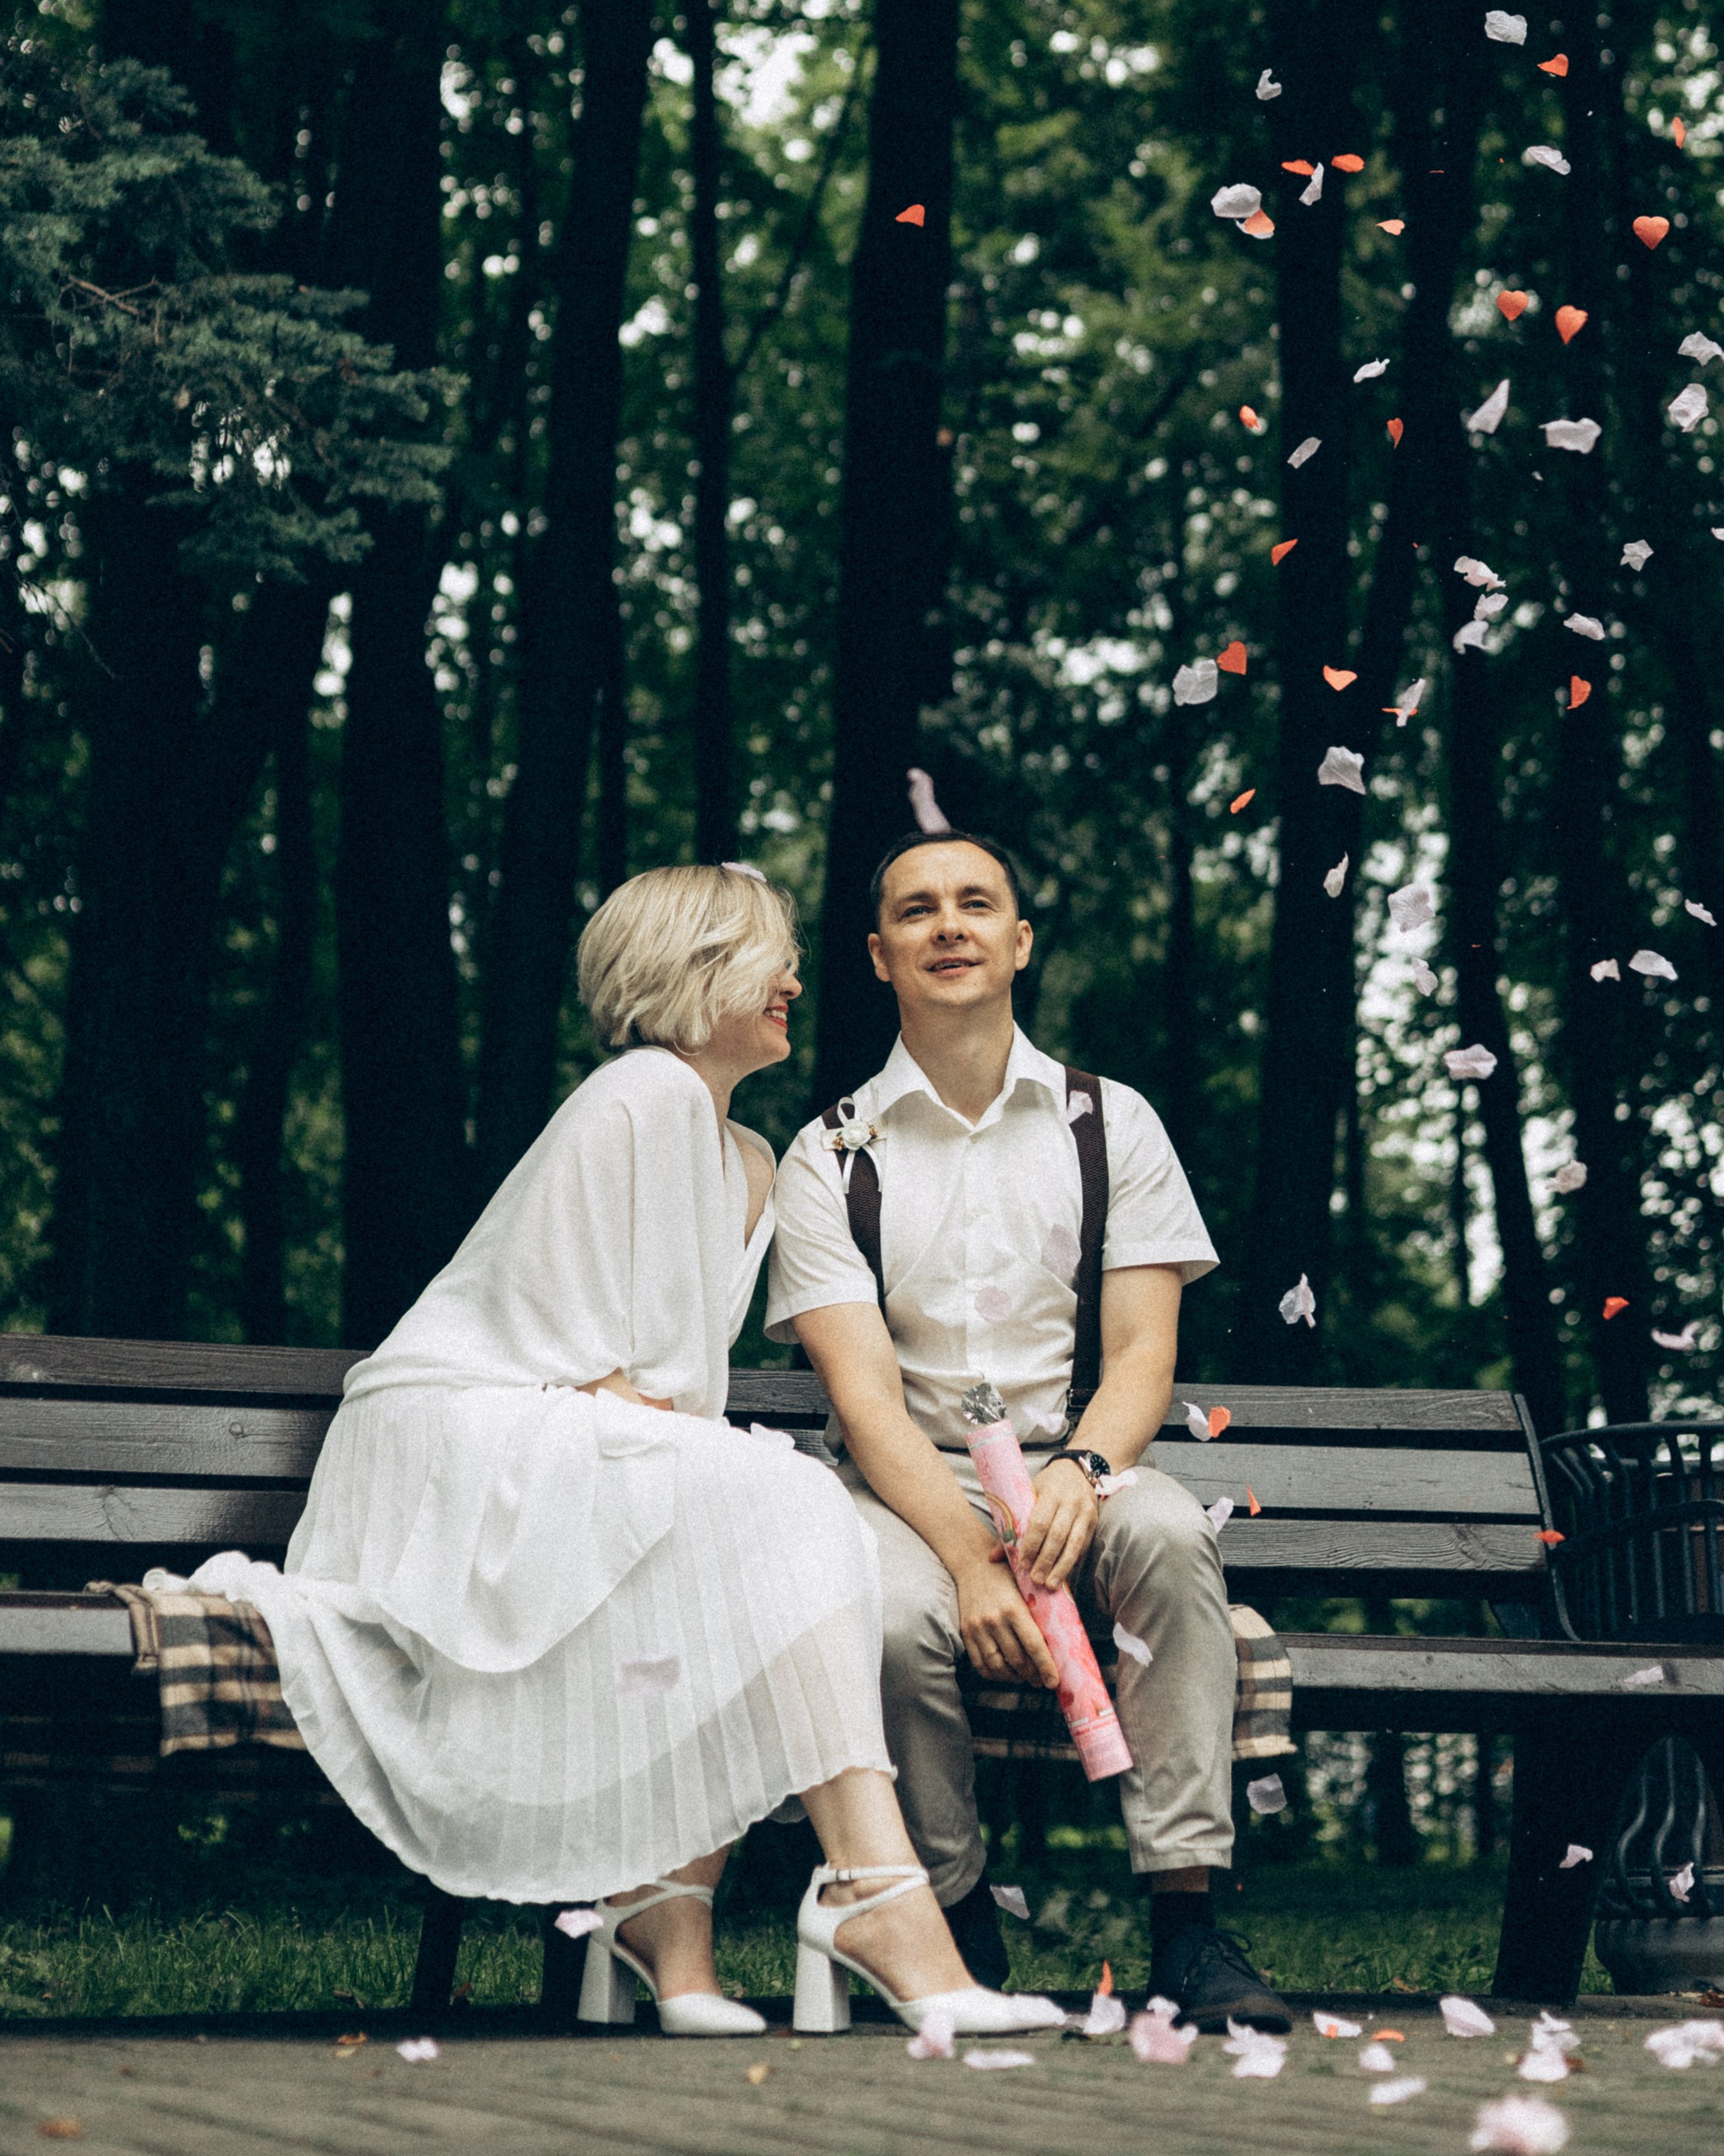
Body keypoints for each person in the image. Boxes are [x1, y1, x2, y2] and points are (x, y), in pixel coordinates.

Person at [191, 864, 1051, 2041]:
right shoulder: (643, 1092)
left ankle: (665, 1908)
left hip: (586, 1433)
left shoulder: (751, 1158)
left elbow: (670, 1386)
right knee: (788, 1500)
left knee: (756, 1516)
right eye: (772, 958)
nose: (795, 982)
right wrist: (687, 1445)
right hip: (462, 1431)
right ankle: (870, 1895)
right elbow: (599, 1364)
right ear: (697, 968)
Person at [768, 829, 1292, 2030]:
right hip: (902, 1482)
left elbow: (1144, 1354)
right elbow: (865, 1400)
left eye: (975, 903)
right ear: (879, 955)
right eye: (916, 909)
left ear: (1019, 942)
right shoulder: (827, 1156)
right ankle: (954, 1926)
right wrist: (968, 1559)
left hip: (1076, 1458)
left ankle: (1188, 1925)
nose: (948, 924)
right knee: (890, 1621)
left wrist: (1087, 1469)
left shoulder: (1112, 1123)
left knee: (1170, 1538)